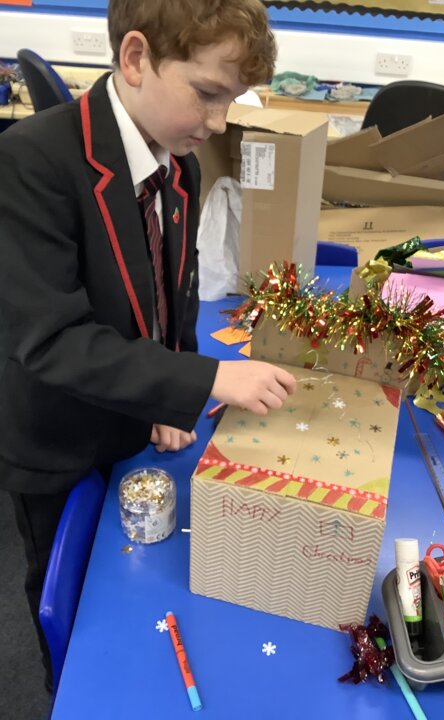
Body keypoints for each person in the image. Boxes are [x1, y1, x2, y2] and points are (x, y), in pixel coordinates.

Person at [0, 0, 295, 692]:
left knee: (141, 582)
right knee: (75, 607)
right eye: (208, 93)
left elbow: (174, 288)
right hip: (58, 436)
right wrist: (204, 379)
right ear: (136, 59)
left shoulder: (178, 160)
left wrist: (170, 391)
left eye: (232, 100)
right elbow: (54, 341)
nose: (219, 121)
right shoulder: (28, 164)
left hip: (134, 413)